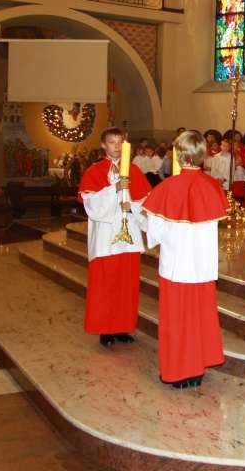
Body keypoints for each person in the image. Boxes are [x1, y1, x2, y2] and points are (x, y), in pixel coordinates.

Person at [142, 131, 227, 389]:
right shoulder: (212, 187)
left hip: (176, 267)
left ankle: (178, 372)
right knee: (199, 317)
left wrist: (140, 220)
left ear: (178, 155)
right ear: (203, 155)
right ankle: (196, 370)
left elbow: (155, 233)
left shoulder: (167, 187)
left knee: (177, 320)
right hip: (202, 267)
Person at [78, 127, 151, 347]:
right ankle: (105, 329)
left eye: (120, 142)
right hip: (105, 237)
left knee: (126, 285)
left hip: (129, 238)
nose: (116, 147)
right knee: (105, 284)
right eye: (112, 142)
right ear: (103, 145)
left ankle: (122, 327)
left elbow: (146, 203)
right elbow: (91, 204)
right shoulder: (95, 171)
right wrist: (114, 188)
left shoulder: (135, 171)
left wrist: (133, 207)